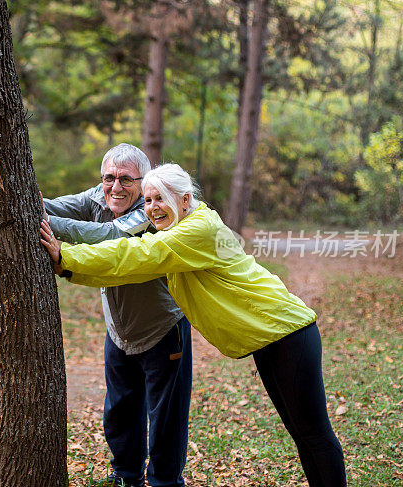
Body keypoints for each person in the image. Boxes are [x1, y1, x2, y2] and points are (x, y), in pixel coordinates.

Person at [40, 163, 347, 487]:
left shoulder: (197, 230)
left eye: (162, 198)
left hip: (288, 335)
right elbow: (133, 269)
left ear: (185, 200)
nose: (153, 208)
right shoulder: (178, 235)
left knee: (313, 435)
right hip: (270, 339)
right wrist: (67, 266)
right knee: (303, 435)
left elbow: (136, 253)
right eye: (148, 200)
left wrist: (67, 256)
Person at [42, 144, 192, 487]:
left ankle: (165, 483)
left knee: (166, 416)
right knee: (120, 411)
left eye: (126, 179)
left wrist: (49, 224)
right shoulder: (99, 195)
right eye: (109, 177)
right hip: (119, 331)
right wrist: (30, 202)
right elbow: (54, 205)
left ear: (143, 181)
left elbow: (108, 236)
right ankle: (126, 477)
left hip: (163, 328)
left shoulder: (152, 212)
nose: (115, 187)